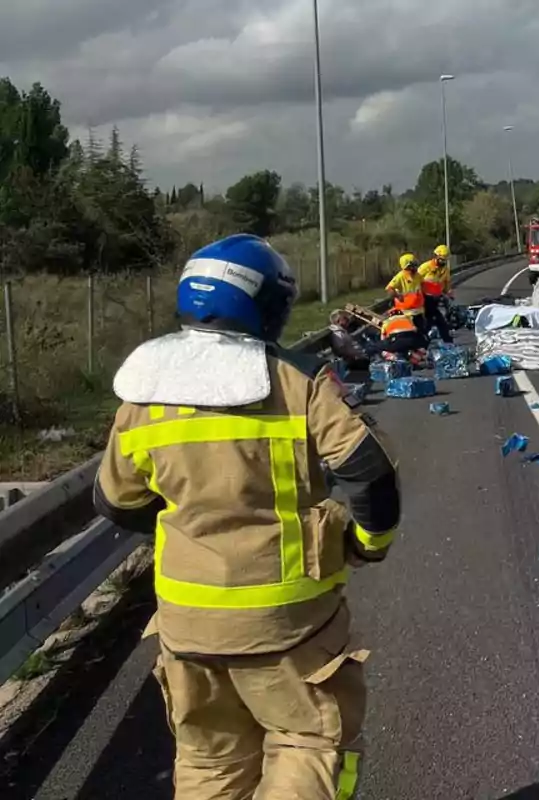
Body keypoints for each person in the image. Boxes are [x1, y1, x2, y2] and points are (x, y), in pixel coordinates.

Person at [94, 233, 400, 800]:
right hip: (289, 625)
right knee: (307, 744)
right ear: (267, 305)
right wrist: (367, 541)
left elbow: (117, 501)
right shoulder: (295, 382)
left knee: (210, 766)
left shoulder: (142, 394)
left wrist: (191, 526)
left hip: (187, 627)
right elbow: (369, 472)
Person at [386, 252, 427, 337]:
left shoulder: (417, 275)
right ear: (407, 266)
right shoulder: (400, 276)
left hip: (418, 311)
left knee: (421, 334)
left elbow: (422, 286)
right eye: (413, 265)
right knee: (410, 335)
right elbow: (389, 289)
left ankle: (420, 349)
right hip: (406, 313)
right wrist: (398, 296)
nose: (415, 267)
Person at [418, 244, 453, 344]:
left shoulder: (445, 270)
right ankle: (447, 342)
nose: (443, 262)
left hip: (435, 299)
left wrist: (449, 292)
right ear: (436, 257)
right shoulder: (426, 267)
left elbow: (446, 283)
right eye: (441, 259)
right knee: (437, 321)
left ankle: (426, 343)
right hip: (424, 299)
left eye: (445, 260)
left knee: (434, 322)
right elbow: (415, 280)